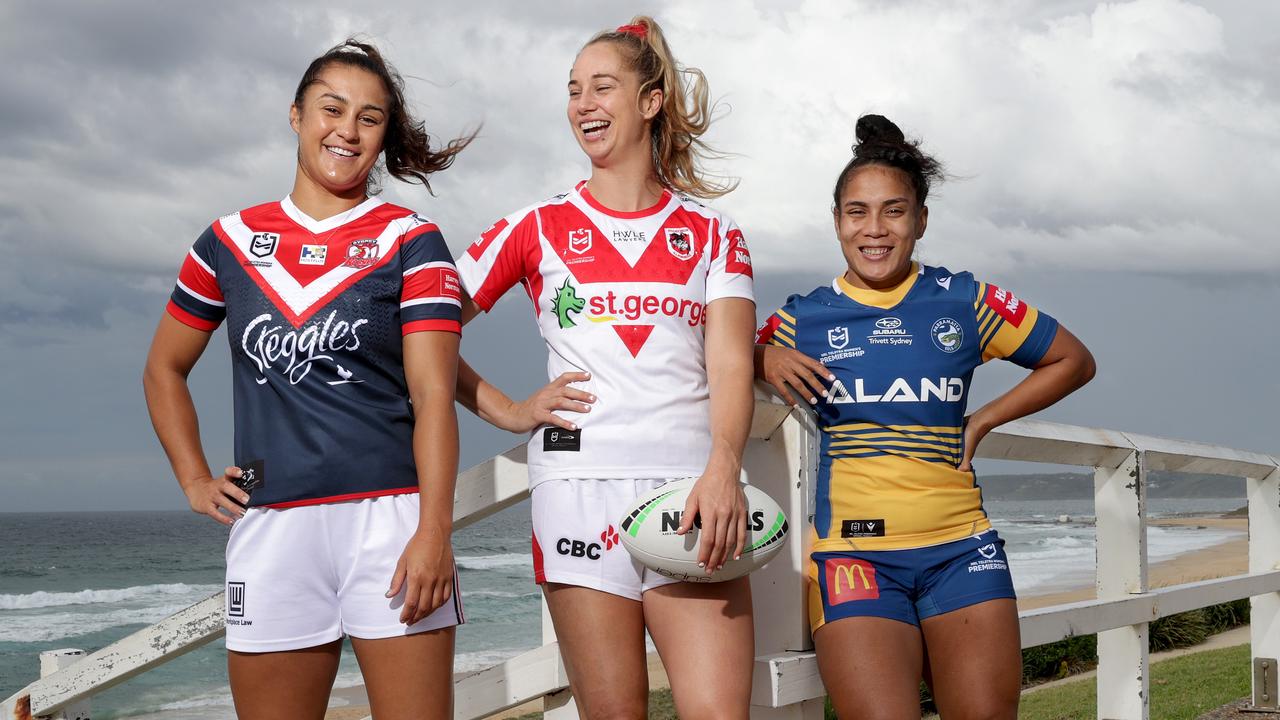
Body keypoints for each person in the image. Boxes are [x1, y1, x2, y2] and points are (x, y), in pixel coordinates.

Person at [142, 40, 473, 720]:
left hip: (391, 526)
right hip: (272, 529)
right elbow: (163, 369)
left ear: (384, 138)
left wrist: (434, 529)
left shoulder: (410, 240)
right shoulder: (226, 242)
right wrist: (194, 478)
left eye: (370, 117)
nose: (347, 131)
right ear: (296, 115)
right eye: (331, 108)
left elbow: (434, 396)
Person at [453, 16, 757, 720]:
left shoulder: (715, 233)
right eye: (572, 91)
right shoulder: (533, 225)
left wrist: (723, 465)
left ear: (650, 101)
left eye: (602, 87)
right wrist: (506, 409)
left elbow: (733, 363)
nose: (583, 104)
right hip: (577, 491)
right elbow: (424, 330)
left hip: (693, 495)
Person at [756, 114, 1096, 720]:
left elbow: (1071, 359)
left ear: (920, 220)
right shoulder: (802, 320)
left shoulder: (964, 300)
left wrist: (985, 418)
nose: (875, 229)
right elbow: (715, 365)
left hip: (963, 550)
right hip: (853, 556)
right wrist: (760, 353)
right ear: (836, 223)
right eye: (856, 212)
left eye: (894, 210)